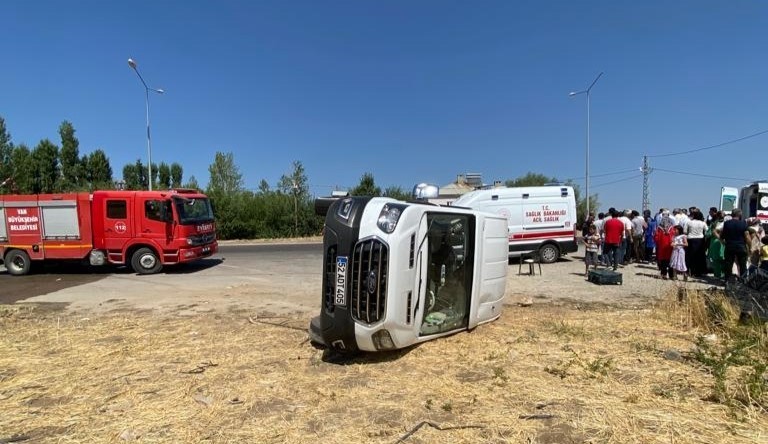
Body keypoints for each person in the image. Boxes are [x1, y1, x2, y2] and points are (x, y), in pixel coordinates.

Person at [721, 208, 749, 281]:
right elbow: (747, 236)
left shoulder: (727, 223)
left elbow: (722, 236)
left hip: (730, 246)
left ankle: (728, 280)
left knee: (728, 264)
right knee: (742, 265)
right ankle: (743, 280)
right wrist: (750, 246)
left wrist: (723, 242)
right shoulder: (743, 223)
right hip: (741, 246)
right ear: (740, 215)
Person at [684, 210, 708, 277]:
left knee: (690, 256)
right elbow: (707, 231)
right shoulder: (703, 223)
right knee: (699, 256)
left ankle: (690, 271)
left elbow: (685, 231)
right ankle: (698, 272)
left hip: (691, 240)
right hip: (700, 240)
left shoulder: (689, 222)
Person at [654, 211, 676, 279]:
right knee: (670, 260)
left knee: (663, 261)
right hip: (670, 246)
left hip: (662, 247)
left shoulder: (659, 228)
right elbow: (674, 237)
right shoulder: (672, 228)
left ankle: (663, 274)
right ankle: (671, 275)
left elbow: (656, 238)